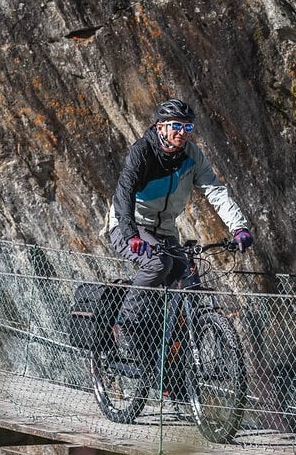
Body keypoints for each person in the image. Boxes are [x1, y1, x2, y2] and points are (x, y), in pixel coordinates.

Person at [108, 97, 253, 358]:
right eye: (176, 126)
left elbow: (215, 191)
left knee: (187, 279)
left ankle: (169, 367)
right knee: (158, 264)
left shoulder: (192, 156)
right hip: (129, 224)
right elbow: (124, 192)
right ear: (160, 126)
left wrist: (239, 227)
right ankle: (126, 325)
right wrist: (130, 233)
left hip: (164, 229)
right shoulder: (143, 151)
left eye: (188, 127)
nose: (182, 133)